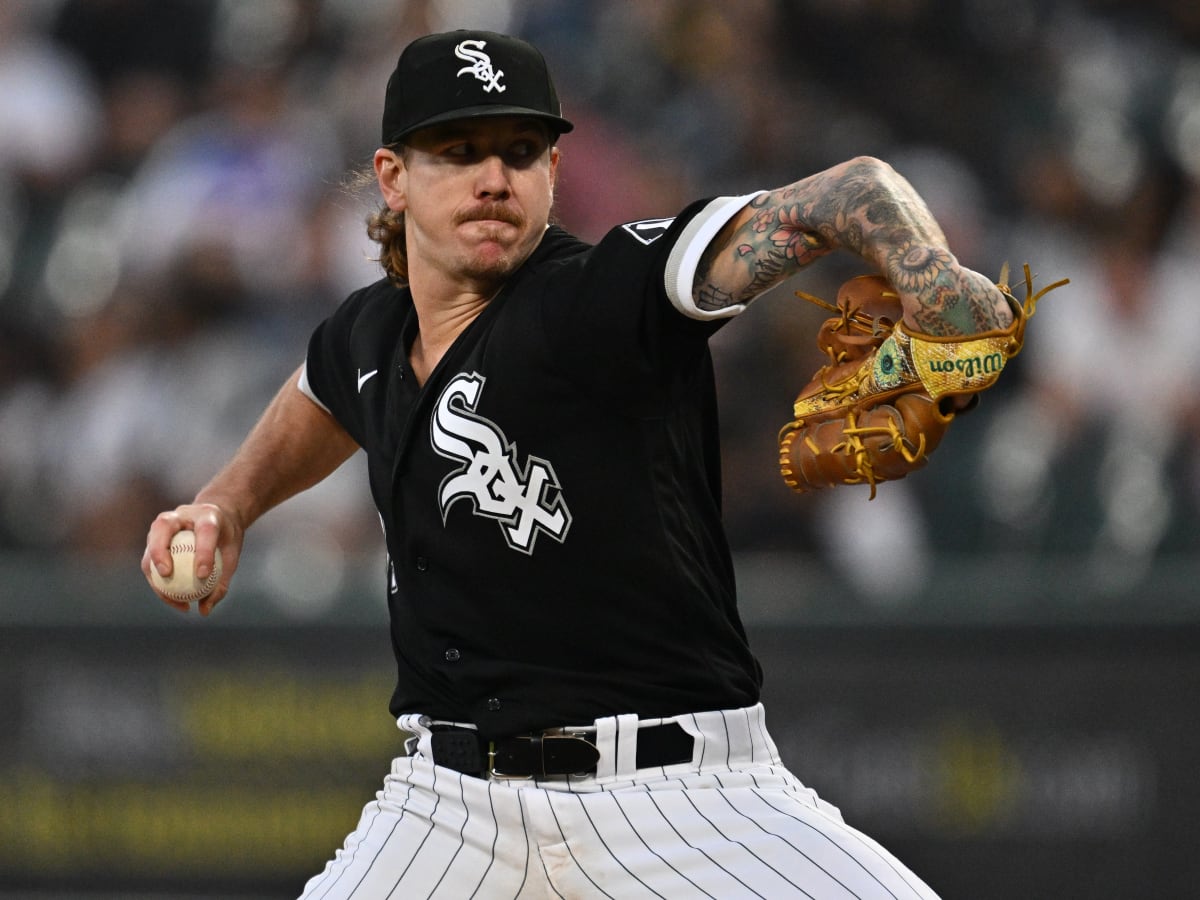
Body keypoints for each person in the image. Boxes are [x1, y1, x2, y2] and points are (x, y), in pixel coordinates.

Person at [143, 29, 1011, 899]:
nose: (494, 178)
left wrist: (927, 270)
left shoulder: (603, 296)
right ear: (393, 176)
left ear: (555, 173)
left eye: (521, 152)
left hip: (680, 796)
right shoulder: (368, 331)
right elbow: (324, 392)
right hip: (449, 808)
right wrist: (227, 504)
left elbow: (843, 193)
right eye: (459, 150)